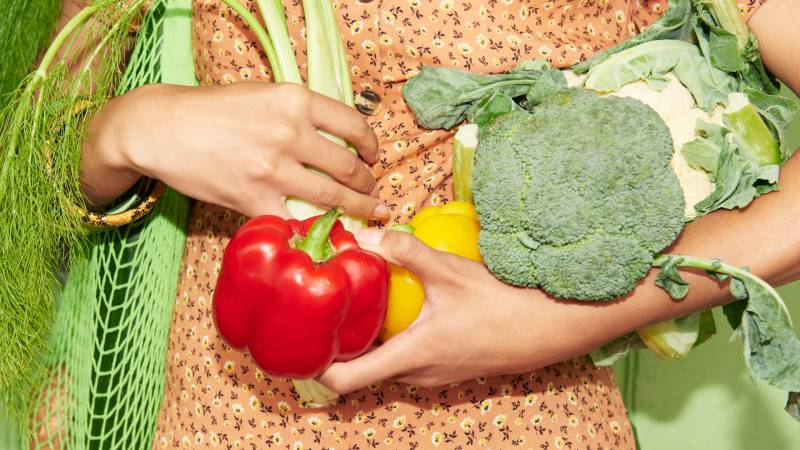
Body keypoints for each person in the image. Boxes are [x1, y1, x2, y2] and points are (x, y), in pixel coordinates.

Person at [43, 0, 800, 448]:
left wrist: (569, 320)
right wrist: (123, 128)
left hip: (513, 420)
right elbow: (40, 157)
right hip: (219, 413)